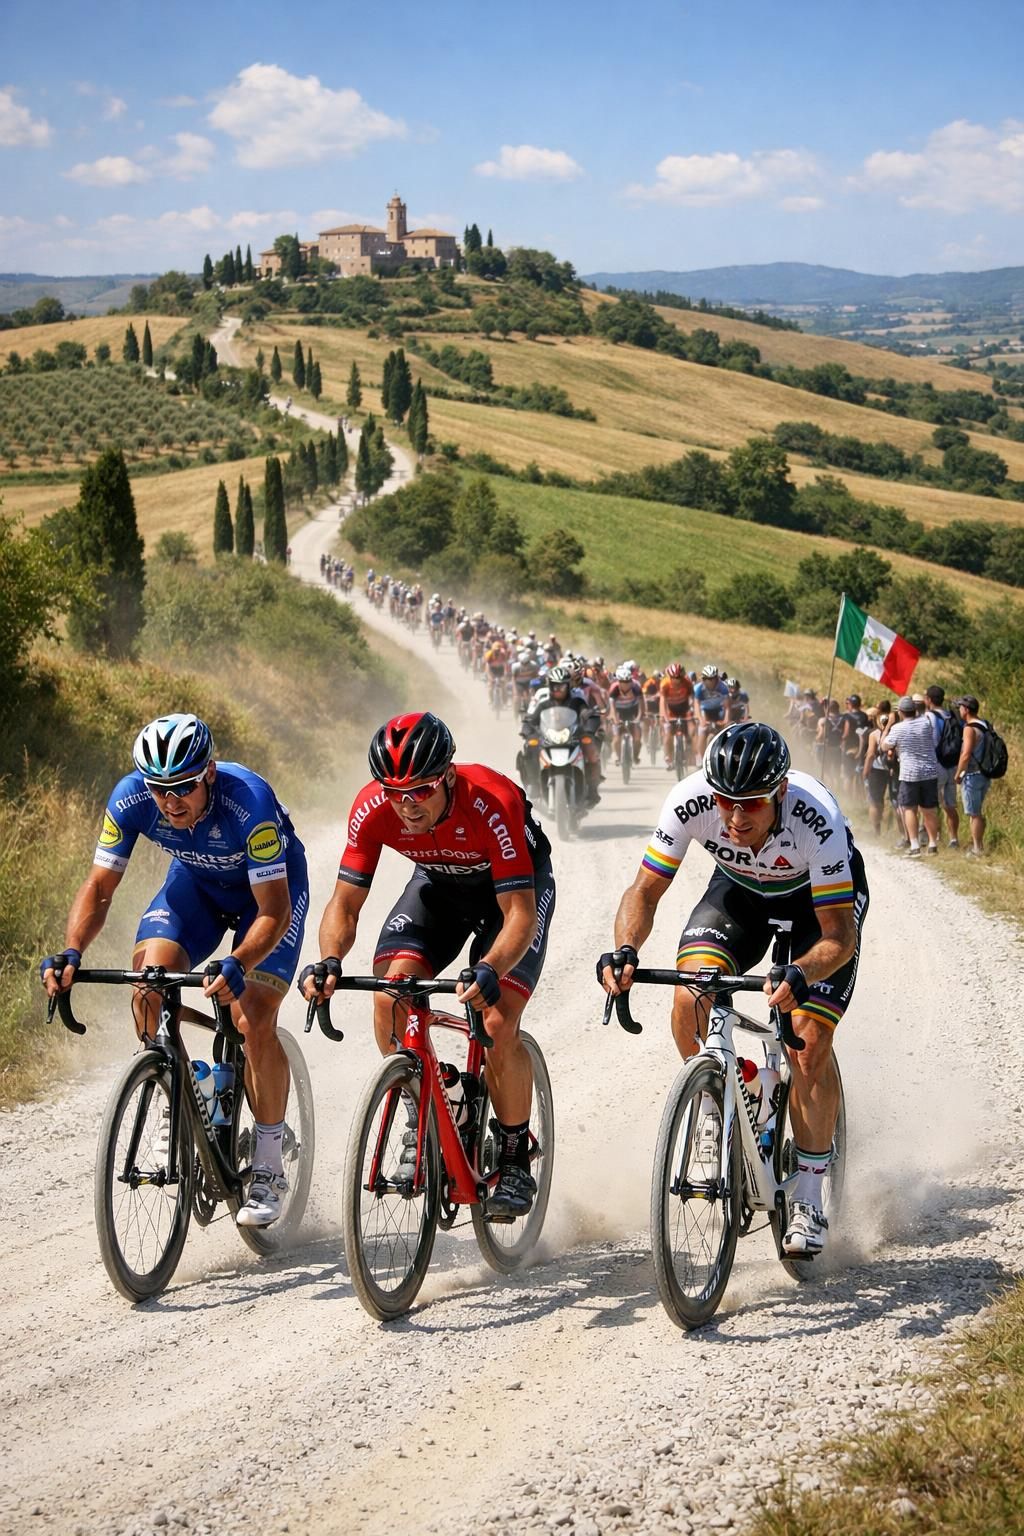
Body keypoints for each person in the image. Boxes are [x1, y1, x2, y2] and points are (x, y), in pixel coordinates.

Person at [599, 721, 869, 1258]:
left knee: (808, 1039)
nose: (736, 817)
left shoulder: (818, 819)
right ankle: (717, 1102)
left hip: (817, 907)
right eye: (726, 803)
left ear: (781, 794)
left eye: (752, 805)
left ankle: (810, 1193)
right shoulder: (690, 800)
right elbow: (646, 890)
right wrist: (626, 949)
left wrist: (800, 974)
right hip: (740, 894)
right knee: (688, 996)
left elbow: (840, 936)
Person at [39, 714, 308, 1228]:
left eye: (183, 786)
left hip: (268, 897)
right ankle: (178, 1094)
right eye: (159, 789)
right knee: (148, 989)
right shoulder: (128, 798)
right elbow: (99, 887)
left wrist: (238, 962)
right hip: (197, 889)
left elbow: (273, 910)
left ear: (208, 772)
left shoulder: (248, 801)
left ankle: (270, 1164)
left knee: (251, 1014)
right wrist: (72, 950)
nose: (170, 801)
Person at [303, 713, 555, 1219]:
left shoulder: (492, 801)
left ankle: (512, 1157)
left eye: (419, 789)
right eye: (395, 791)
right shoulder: (374, 808)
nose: (406, 804)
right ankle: (441, 1097)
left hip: (510, 897)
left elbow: (519, 917)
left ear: (448, 777)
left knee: (497, 1017)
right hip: (438, 888)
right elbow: (345, 904)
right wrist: (329, 959)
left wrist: (488, 968)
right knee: (391, 995)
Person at [882, 695, 941, 856]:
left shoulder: (898, 729)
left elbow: (884, 745)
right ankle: (933, 844)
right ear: (914, 710)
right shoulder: (926, 723)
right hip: (929, 771)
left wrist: (887, 726)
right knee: (929, 810)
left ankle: (914, 845)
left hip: (909, 774)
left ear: (900, 711)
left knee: (909, 809)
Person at [953, 695, 992, 857]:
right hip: (985, 774)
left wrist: (958, 774)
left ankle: (977, 848)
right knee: (977, 811)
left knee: (974, 813)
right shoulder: (985, 725)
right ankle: (979, 844)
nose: (959, 710)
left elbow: (966, 754)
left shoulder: (969, 728)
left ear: (966, 710)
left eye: (960, 707)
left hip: (972, 775)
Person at [924, 685, 960, 849]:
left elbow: (932, 741)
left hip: (936, 764)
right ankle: (953, 839)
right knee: (950, 805)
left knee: (931, 804)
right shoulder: (951, 715)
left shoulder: (929, 716)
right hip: (952, 764)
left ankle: (934, 836)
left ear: (929, 699)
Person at [659, 662, 694, 771]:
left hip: (684, 708)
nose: (676, 680)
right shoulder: (664, 684)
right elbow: (662, 701)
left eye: (679, 677)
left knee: (691, 729)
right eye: (674, 677)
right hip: (671, 710)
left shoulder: (687, 682)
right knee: (668, 733)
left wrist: (692, 710)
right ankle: (669, 758)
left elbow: (692, 698)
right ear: (670, 676)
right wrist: (664, 717)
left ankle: (690, 752)